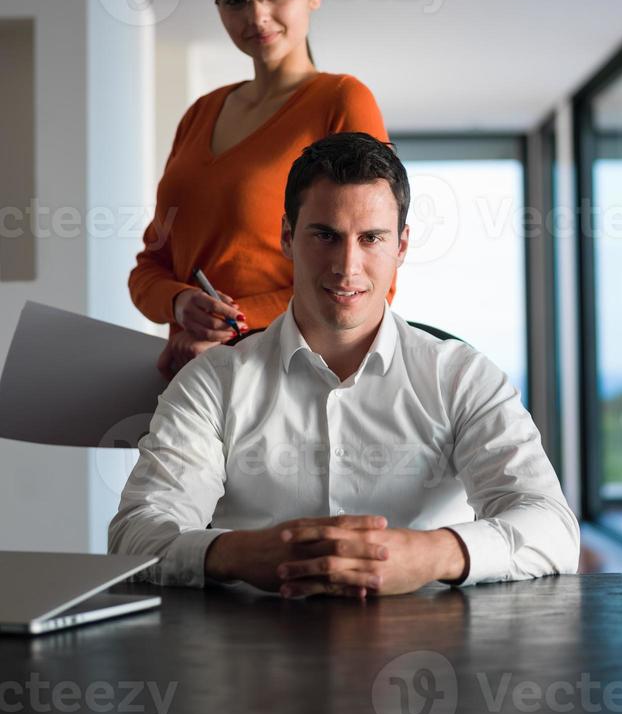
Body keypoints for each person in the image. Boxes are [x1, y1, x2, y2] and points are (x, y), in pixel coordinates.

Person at [110, 133, 580, 598]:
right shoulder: (211, 382)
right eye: (325, 236)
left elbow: (553, 527)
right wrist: (239, 554)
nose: (347, 265)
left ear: (401, 246)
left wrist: (430, 555)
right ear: (288, 237)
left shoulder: (463, 377)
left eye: (371, 238)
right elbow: (134, 535)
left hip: (432, 662)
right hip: (250, 659)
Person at [129, 0, 391, 377]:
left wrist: (231, 324)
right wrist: (181, 302)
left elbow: (371, 270)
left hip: (285, 378)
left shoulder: (342, 100)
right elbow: (150, 268)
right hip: (190, 381)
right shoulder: (199, 114)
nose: (257, 15)